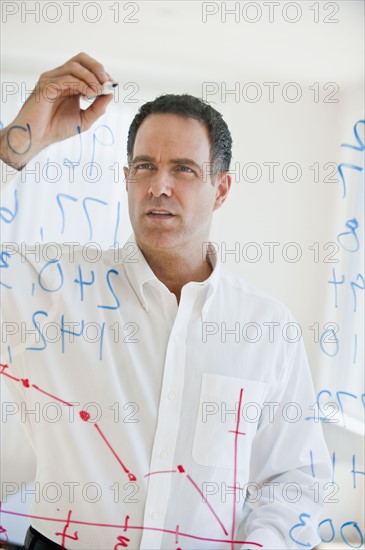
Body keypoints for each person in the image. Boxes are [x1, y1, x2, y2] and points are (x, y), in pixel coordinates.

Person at [0, 53, 331, 550]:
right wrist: (20, 141)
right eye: (145, 166)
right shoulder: (51, 288)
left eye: (183, 169)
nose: (159, 185)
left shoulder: (267, 327)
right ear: (127, 179)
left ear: (221, 190)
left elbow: (292, 480)